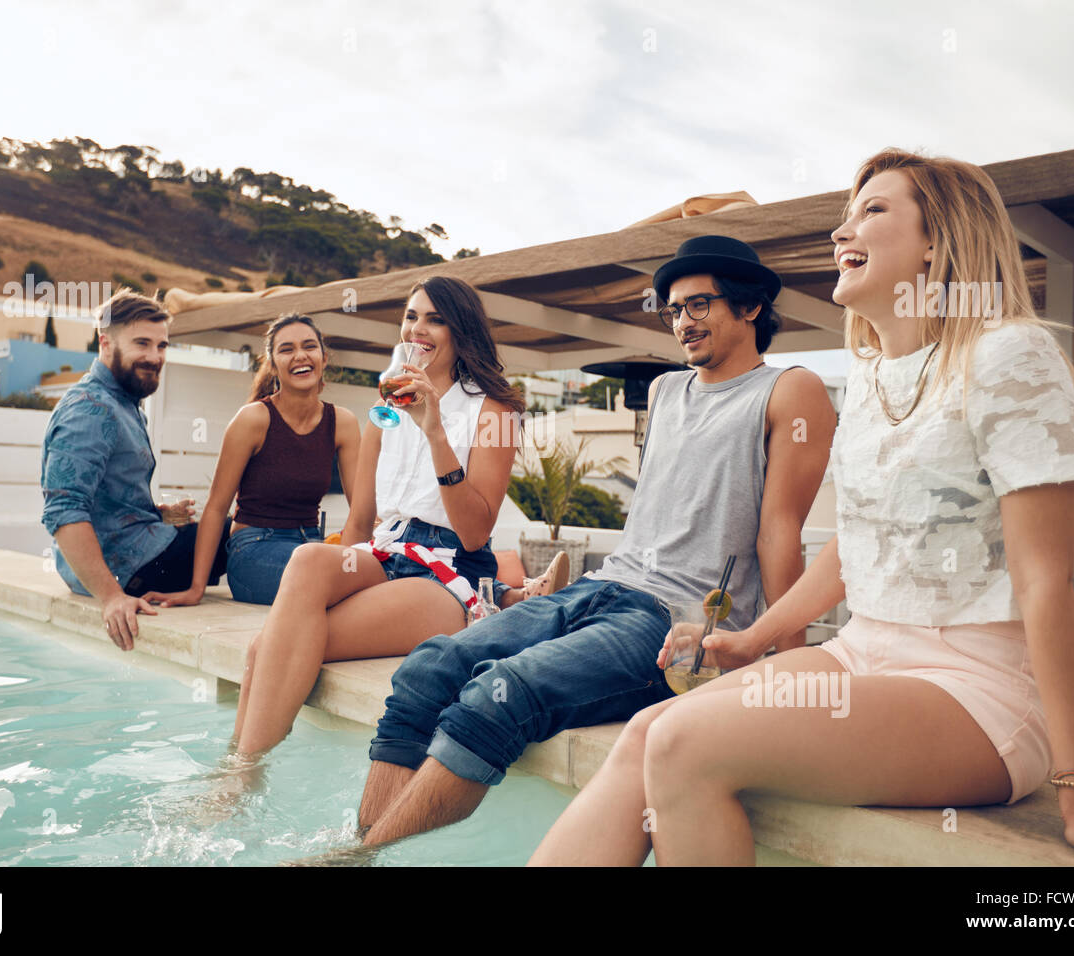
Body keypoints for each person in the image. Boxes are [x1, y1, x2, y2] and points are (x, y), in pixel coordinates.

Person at [530, 149, 1074, 867]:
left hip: (977, 686)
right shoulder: (870, 380)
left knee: (682, 746)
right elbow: (851, 545)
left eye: (872, 211)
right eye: (845, 216)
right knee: (646, 730)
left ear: (937, 243)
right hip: (861, 654)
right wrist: (754, 635)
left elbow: (1045, 583)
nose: (840, 232)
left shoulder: (1010, 355)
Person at [354, 235, 837, 849]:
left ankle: (350, 862)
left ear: (750, 307)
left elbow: (780, 530)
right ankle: (364, 848)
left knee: (500, 693)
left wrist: (783, 659)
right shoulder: (664, 391)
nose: (682, 323)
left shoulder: (792, 389)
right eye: (673, 311)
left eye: (698, 305)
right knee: (427, 668)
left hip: (671, 619)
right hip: (601, 586)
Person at [231, 275, 537, 757]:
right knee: (309, 560)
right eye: (411, 317)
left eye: (435, 320)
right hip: (384, 551)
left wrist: (435, 432)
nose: (419, 330)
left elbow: (476, 534)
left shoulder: (495, 412)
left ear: (461, 331)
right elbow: (361, 520)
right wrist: (339, 574)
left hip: (448, 572)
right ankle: (236, 768)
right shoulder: (384, 410)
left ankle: (241, 775)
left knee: (264, 649)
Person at [40, 288, 231, 651]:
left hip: (135, 555)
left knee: (231, 531)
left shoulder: (122, 402)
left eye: (162, 346)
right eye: (142, 343)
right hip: (129, 572)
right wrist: (112, 597)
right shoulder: (90, 408)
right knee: (246, 533)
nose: (154, 356)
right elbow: (64, 511)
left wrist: (158, 515)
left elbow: (104, 502)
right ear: (106, 343)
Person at [140, 313, 361, 607]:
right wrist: (196, 589)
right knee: (323, 579)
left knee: (367, 575)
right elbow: (217, 507)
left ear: (323, 356)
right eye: (286, 349)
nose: (300, 356)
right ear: (272, 365)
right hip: (255, 551)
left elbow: (360, 508)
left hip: (311, 546)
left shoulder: (342, 423)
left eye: (309, 346)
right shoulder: (253, 419)